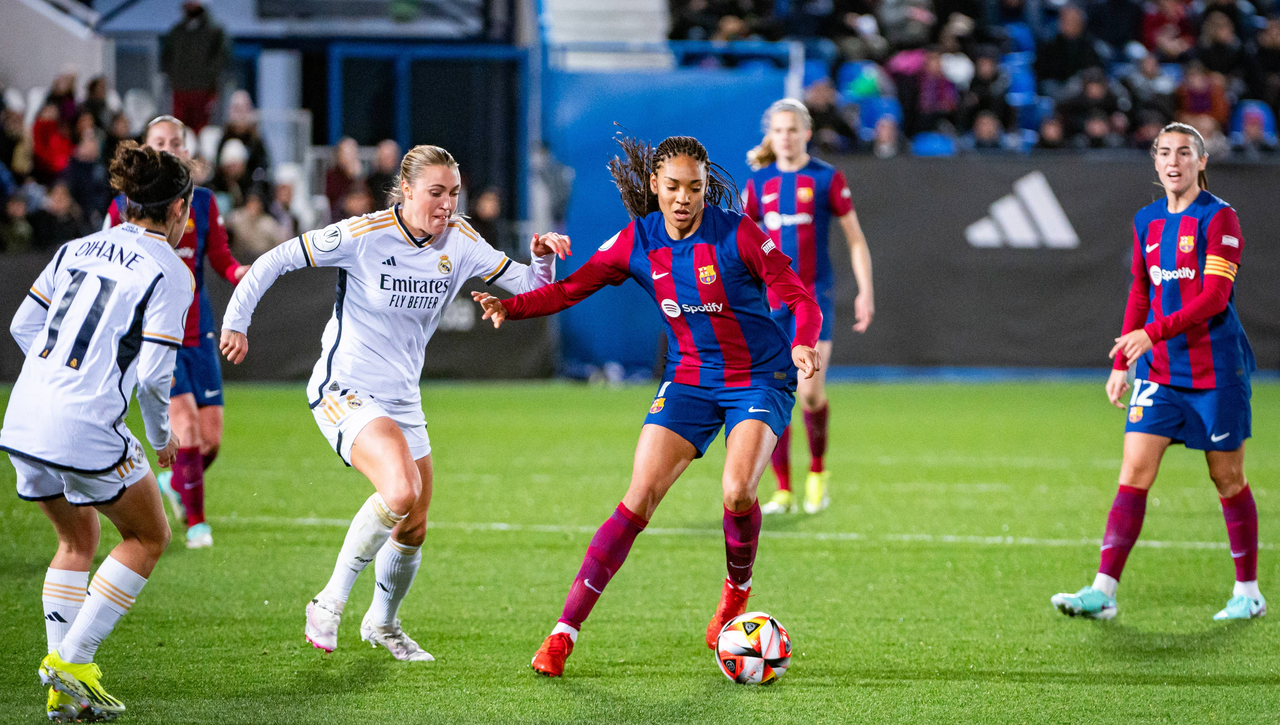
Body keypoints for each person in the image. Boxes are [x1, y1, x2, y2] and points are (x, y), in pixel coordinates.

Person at [472, 134, 823, 677]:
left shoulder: (738, 233)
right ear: (655, 185)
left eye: (696, 188)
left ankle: (737, 589)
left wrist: (802, 341)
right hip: (688, 378)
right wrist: (511, 306)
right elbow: (570, 290)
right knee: (637, 499)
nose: (684, 197)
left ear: (707, 190)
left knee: (737, 490)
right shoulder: (637, 241)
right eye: (674, 186)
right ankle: (563, 633)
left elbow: (799, 295)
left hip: (759, 377)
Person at [219, 144, 569, 661]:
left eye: (453, 193)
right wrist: (235, 320)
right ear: (405, 191)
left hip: (402, 398)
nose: (446, 204)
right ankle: (330, 600)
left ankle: (381, 624)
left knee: (415, 521)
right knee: (400, 488)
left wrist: (541, 258)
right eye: (435, 193)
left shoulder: (462, 240)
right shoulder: (363, 235)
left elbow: (534, 291)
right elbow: (276, 259)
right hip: (345, 388)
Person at [0, 141, 194, 720]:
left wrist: (57, 376)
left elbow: (22, 324)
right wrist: (160, 438)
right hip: (83, 424)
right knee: (148, 536)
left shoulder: (77, 248)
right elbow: (157, 375)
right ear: (179, 208)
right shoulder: (170, 271)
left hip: (23, 414)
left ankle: (64, 695)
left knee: (76, 541)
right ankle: (74, 660)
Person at [1051, 123, 1261, 622]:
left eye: (1184, 153)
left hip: (1215, 371)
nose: (1174, 161)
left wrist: (1152, 334)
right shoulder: (1146, 220)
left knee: (1227, 478)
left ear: (1201, 162)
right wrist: (1125, 359)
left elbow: (1213, 298)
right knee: (1134, 474)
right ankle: (1103, 591)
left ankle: (1248, 591)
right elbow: (1141, 292)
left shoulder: (1220, 219)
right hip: (1161, 373)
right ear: (1154, 162)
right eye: (1164, 152)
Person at [105, 115, 246, 549]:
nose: (169, 148)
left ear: (186, 150)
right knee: (184, 425)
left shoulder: (202, 202)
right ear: (146, 150)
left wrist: (246, 274)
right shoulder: (125, 207)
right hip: (155, 331)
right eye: (159, 142)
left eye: (176, 142)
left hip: (198, 329)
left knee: (211, 440)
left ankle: (172, 484)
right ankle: (197, 524)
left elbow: (220, 258)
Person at [742, 99, 875, 515]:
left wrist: (865, 290)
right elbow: (742, 244)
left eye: (792, 129)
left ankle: (817, 473)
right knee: (776, 393)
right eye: (778, 130)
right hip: (772, 305)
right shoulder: (758, 184)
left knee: (810, 394)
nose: (785, 137)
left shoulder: (825, 178)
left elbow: (855, 239)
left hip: (813, 300)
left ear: (806, 133)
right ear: (771, 135)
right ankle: (783, 490)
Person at [160, 1, 229, 131]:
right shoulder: (176, 31)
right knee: (179, 132)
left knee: (203, 131)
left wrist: (207, 78)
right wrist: (175, 77)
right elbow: (167, 58)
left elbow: (221, 59)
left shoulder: (215, 31)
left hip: (204, 92)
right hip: (180, 90)